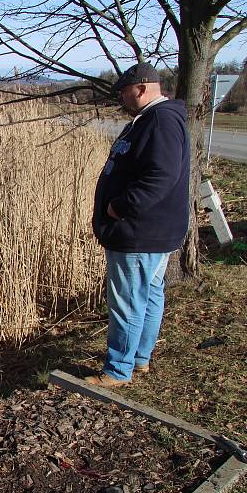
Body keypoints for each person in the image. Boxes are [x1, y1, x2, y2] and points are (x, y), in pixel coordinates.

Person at [86, 62, 191, 388]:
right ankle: (139, 359)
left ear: (142, 88)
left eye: (125, 92)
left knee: (127, 302)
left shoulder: (159, 122)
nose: (122, 97)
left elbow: (160, 176)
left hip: (139, 232)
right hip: (150, 231)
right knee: (148, 295)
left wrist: (120, 206)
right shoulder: (151, 120)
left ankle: (118, 370)